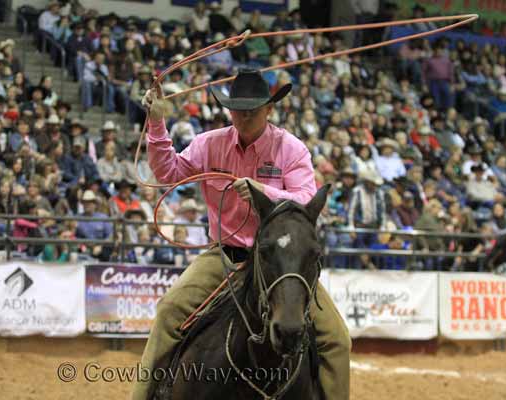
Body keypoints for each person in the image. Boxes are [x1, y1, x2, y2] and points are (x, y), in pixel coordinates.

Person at [133, 69, 350, 400]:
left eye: (252, 109)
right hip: (226, 256)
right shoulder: (210, 144)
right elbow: (168, 172)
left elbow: (307, 199)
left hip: (281, 262)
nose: (244, 116)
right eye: (238, 109)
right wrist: (157, 124)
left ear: (268, 109)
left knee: (336, 340)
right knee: (169, 312)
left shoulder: (291, 149)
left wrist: (265, 192)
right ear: (229, 110)